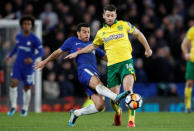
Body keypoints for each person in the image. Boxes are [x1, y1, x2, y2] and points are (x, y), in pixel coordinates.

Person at [65, 5, 152, 127]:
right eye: (108, 15)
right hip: (111, 67)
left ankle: (131, 121)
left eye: (112, 15)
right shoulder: (101, 33)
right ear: (104, 16)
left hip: (126, 62)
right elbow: (92, 46)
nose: (110, 17)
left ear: (115, 15)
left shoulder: (124, 25)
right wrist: (77, 52)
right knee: (113, 99)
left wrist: (147, 48)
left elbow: (138, 34)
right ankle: (118, 113)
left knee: (128, 91)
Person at [34, 23, 130, 127]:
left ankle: (76, 113)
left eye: (88, 32)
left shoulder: (93, 45)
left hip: (94, 74)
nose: (87, 34)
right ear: (78, 33)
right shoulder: (72, 41)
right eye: (84, 32)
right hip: (83, 71)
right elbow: (58, 52)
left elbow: (107, 58)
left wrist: (121, 62)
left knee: (100, 105)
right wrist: (45, 61)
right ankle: (116, 97)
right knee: (98, 84)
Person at [4, 15, 44, 116]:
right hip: (18, 65)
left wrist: (32, 58)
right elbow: (16, 47)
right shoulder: (19, 36)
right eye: (25, 24)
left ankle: (25, 108)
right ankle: (13, 106)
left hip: (29, 67)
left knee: (27, 87)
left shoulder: (35, 39)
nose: (26, 26)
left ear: (31, 26)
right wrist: (10, 56)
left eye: (29, 24)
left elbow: (41, 51)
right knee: (13, 83)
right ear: (21, 26)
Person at [181, 26, 194, 113]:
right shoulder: (192, 30)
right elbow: (184, 44)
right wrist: (186, 54)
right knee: (189, 82)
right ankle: (187, 106)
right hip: (192, 60)